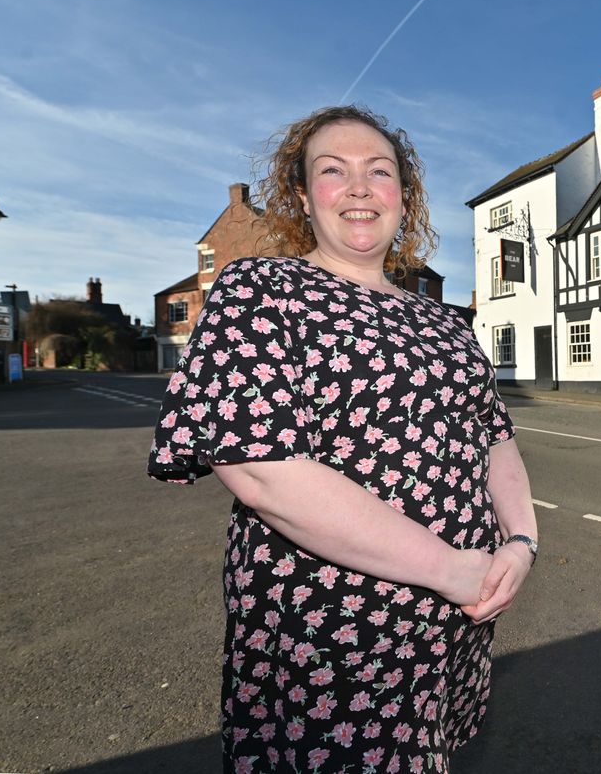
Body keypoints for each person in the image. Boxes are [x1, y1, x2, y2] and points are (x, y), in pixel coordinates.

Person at [148, 104, 538, 773]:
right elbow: (264, 468)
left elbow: (494, 439)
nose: (359, 186)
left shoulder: (444, 323)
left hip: (450, 627)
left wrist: (523, 541)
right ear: (303, 195)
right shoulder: (262, 289)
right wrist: (452, 568)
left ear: (404, 196)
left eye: (378, 171)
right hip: (329, 642)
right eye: (334, 170)